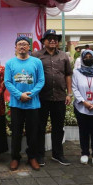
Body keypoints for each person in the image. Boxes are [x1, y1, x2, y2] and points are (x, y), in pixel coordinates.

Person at [32, 29, 73, 166]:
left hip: (60, 97)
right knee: (40, 127)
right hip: (41, 98)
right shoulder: (36, 56)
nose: (53, 40)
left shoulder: (63, 56)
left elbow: (68, 74)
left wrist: (69, 93)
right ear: (43, 41)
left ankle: (58, 154)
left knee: (58, 127)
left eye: (55, 38)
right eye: (49, 38)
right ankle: (39, 155)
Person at [5, 36, 45, 171]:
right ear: (15, 47)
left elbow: (41, 81)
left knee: (32, 132)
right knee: (16, 132)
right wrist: (19, 95)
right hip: (17, 105)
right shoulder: (10, 63)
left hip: (32, 105)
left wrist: (31, 94)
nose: (22, 46)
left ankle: (32, 157)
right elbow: (7, 82)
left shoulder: (37, 62)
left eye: (25, 44)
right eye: (19, 44)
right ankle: (15, 157)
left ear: (29, 47)